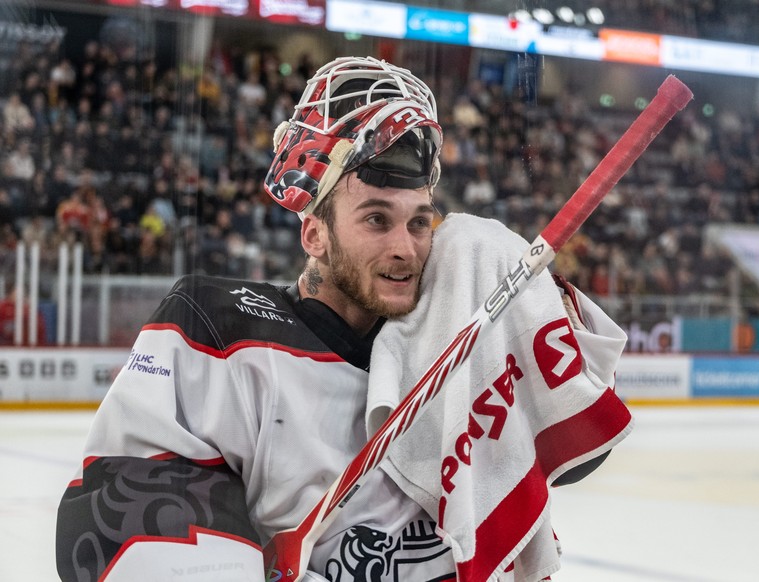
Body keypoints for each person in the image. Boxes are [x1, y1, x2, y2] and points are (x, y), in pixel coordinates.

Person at [56, 56, 627, 582]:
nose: (405, 247)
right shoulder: (219, 330)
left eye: (420, 223)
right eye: (376, 220)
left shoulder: (453, 341)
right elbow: (126, 518)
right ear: (316, 234)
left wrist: (509, 275)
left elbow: (576, 448)